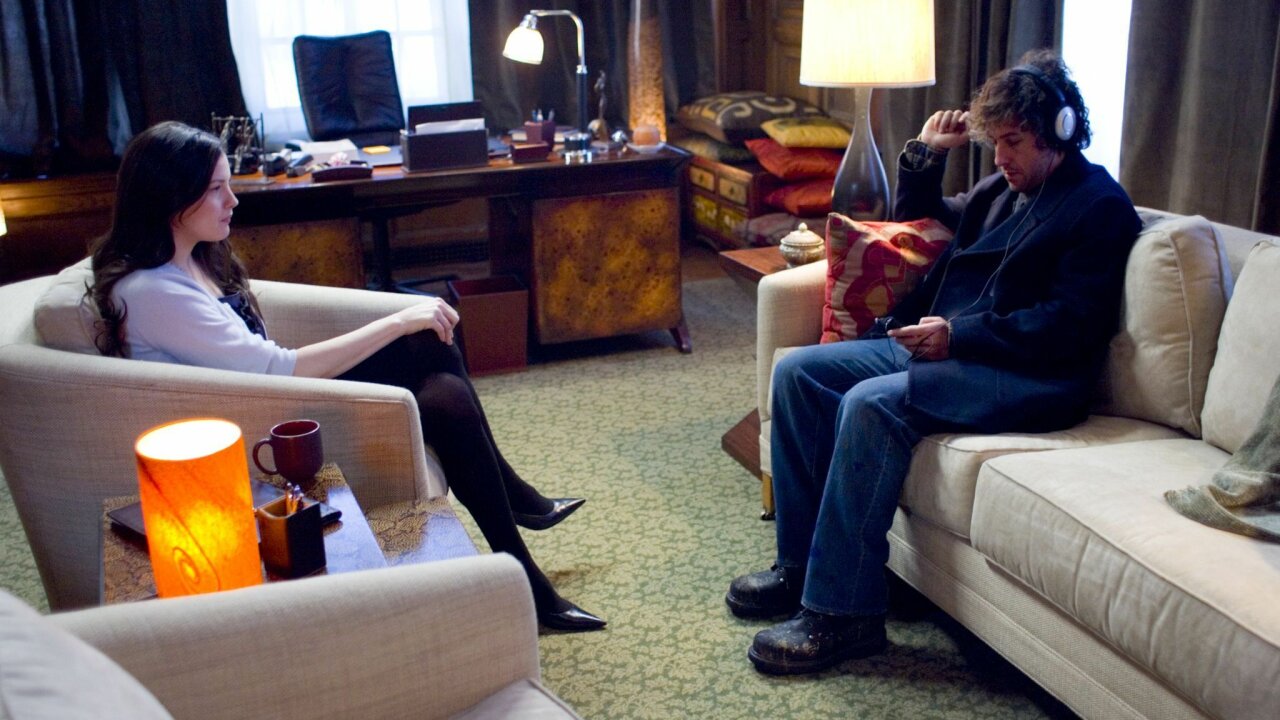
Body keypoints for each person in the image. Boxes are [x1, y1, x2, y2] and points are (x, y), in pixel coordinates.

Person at [88, 121, 605, 633]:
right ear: (171, 199)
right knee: (432, 365)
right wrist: (396, 320)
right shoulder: (154, 292)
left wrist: (407, 321)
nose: (233, 200)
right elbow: (275, 369)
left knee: (437, 362)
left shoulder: (192, 260)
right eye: (216, 189)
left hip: (270, 398)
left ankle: (523, 557)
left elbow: (265, 364)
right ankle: (520, 532)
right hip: (263, 434)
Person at [726, 50, 1141, 674]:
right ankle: (800, 566)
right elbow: (925, 219)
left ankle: (843, 614)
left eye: (1013, 142)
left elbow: (1068, 325)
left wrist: (960, 336)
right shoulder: (1003, 189)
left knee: (870, 404)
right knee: (798, 372)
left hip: (1025, 375)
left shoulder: (1099, 206)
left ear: (1060, 130)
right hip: (948, 349)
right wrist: (927, 154)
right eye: (994, 142)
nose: (1000, 158)